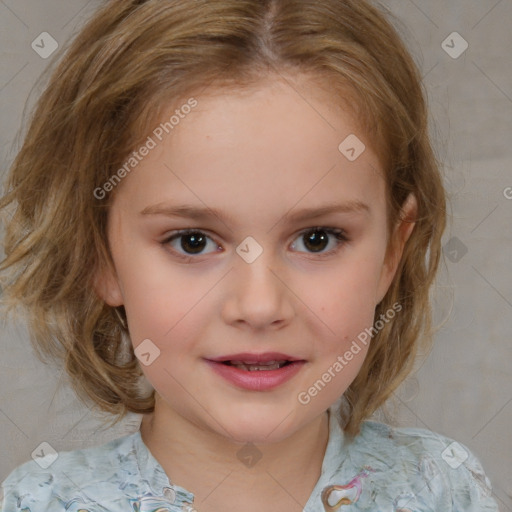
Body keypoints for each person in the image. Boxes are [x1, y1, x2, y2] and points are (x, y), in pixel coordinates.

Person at [0, 0, 499, 511]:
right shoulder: (40, 502)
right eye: (192, 241)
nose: (259, 306)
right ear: (98, 255)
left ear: (393, 251)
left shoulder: (442, 489)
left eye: (317, 239)